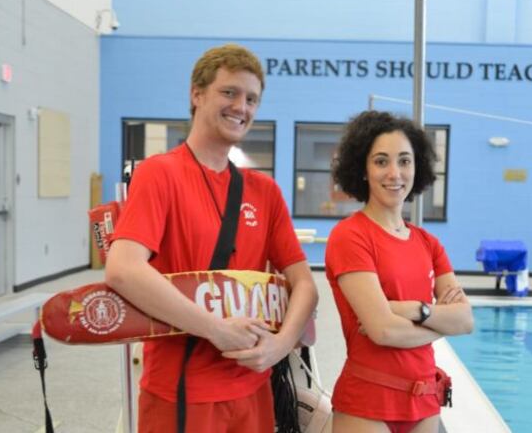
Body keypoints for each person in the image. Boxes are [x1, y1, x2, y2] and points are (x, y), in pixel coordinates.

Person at [105, 43, 318, 433]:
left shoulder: (264, 191)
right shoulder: (159, 174)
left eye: (251, 99)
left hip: (253, 389)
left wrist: (280, 345)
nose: (241, 107)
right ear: (197, 94)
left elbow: (305, 283)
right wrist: (217, 329)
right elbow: (123, 269)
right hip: (183, 392)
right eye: (229, 92)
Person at [325, 111, 474, 433]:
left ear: (417, 168)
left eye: (404, 161)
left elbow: (465, 320)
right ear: (363, 169)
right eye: (381, 161)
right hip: (369, 401)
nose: (394, 173)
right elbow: (383, 331)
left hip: (425, 400)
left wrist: (414, 310)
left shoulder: (428, 243)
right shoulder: (350, 236)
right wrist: (439, 323)